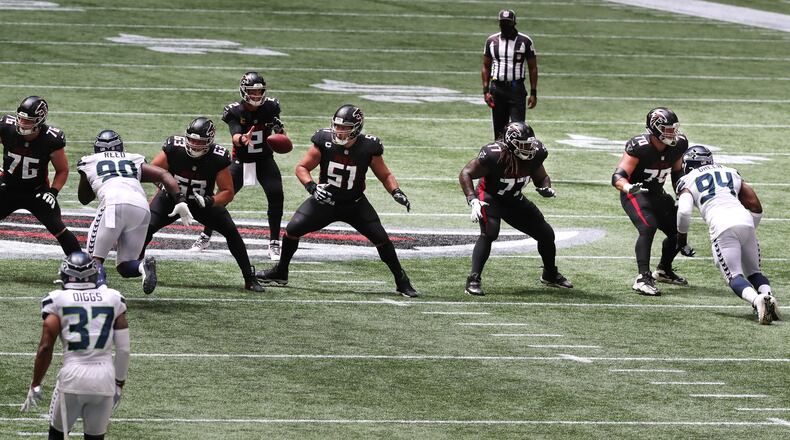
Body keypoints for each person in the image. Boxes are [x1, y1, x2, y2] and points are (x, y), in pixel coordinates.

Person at [256, 104, 419, 297]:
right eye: (337, 126)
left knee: (382, 239)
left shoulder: (369, 147)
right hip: (325, 201)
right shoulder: (323, 140)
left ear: (356, 128)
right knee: (292, 230)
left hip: (355, 204)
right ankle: (281, 271)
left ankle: (402, 281)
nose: (340, 131)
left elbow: (385, 175)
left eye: (345, 127)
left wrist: (396, 191)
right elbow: (302, 167)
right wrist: (312, 187)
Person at [141, 117, 264, 292]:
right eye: (191, 140)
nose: (194, 144)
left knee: (232, 233)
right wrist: (169, 190)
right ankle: (135, 266)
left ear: (209, 141)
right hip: (171, 199)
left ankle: (249, 278)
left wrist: (210, 201)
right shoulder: (174, 148)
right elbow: (153, 172)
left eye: (199, 141)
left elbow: (228, 191)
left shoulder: (217, 157)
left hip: (202, 202)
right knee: (145, 228)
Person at [21, 251, 130, 440]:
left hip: (73, 377)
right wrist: (119, 384)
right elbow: (123, 349)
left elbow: (46, 347)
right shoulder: (113, 298)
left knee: (57, 436)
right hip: (104, 379)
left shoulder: (57, 300)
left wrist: (36, 383)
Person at [459, 121, 572, 296]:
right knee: (490, 232)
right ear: (511, 142)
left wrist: (545, 187)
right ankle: (473, 279)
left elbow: (541, 176)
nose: (529, 148)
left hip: (514, 198)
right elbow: (466, 173)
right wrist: (472, 199)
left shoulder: (535, 154)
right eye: (523, 145)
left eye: (530, 144)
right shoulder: (494, 154)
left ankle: (549, 273)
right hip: (490, 196)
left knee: (546, 234)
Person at [77, 129, 194, 294]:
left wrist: (89, 178)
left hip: (113, 204)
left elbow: (84, 198)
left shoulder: (88, 161)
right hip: (141, 207)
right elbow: (163, 174)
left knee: (93, 260)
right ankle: (142, 266)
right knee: (125, 266)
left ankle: (101, 293)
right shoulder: (133, 158)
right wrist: (180, 200)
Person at [676, 146, 781, 324]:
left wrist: (682, 240)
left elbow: (684, 212)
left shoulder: (687, 179)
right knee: (754, 272)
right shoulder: (730, 171)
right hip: (745, 220)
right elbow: (755, 205)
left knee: (733, 276)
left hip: (722, 225)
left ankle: (757, 301)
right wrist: (748, 228)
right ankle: (767, 296)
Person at [189, 71, 287, 261]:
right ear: (244, 91)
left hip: (264, 159)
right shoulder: (235, 111)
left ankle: (274, 242)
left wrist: (280, 132)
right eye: (252, 92)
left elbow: (282, 135)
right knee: (220, 199)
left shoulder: (271, 107)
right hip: (240, 161)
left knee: (276, 195)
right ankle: (205, 236)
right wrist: (242, 138)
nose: (257, 96)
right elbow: (235, 136)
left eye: (260, 92)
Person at [612, 107, 690, 296]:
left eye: (674, 129)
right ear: (655, 128)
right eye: (667, 129)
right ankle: (642, 278)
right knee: (648, 227)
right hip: (635, 193)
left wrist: (682, 195)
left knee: (677, 230)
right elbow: (617, 176)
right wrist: (628, 187)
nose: (672, 134)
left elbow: (678, 172)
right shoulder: (639, 146)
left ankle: (663, 270)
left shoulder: (678, 145)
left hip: (657, 193)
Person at [0, 96, 81, 256]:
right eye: (21, 119)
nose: (22, 123)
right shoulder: (6, 128)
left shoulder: (51, 139)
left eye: (28, 120)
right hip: (7, 188)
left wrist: (53, 192)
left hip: (37, 192)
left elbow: (62, 170)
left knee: (59, 229)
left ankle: (82, 267)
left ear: (39, 120)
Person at [481, 9, 538, 140]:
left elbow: (533, 68)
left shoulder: (525, 41)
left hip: (516, 88)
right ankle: (501, 160)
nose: (505, 26)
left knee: (518, 131)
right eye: (503, 23)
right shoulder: (492, 41)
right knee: (499, 132)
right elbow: (486, 66)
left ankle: (517, 160)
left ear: (514, 23)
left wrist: (533, 92)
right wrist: (485, 91)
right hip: (497, 88)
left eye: (508, 23)